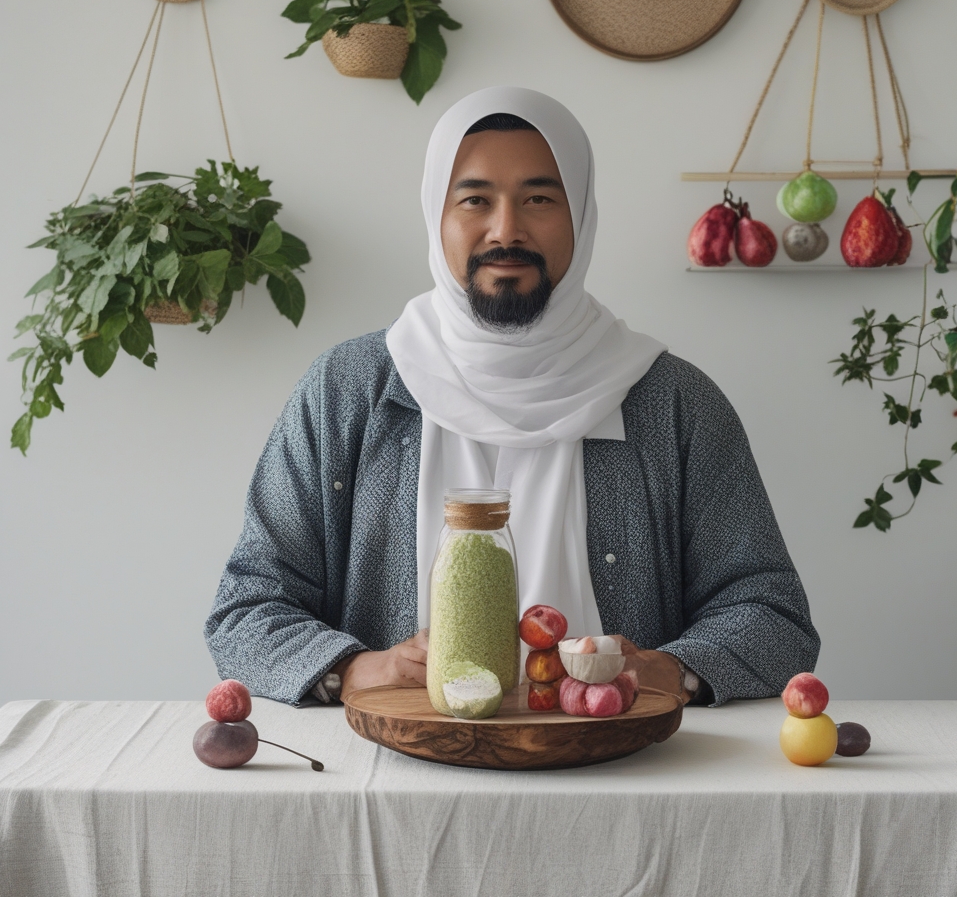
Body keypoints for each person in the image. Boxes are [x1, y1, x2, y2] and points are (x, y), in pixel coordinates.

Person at [204, 87, 819, 708]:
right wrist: (353, 670)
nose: (507, 230)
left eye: (539, 199)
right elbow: (248, 609)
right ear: (434, 214)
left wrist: (670, 669)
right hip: (395, 772)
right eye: (475, 199)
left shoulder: (672, 402)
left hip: (621, 774)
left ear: (581, 211)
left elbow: (772, 618)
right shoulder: (346, 391)